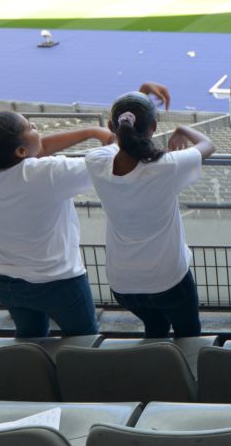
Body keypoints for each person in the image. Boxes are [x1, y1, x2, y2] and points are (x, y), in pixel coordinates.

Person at [0, 109, 118, 338]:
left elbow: (35, 150)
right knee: (84, 340)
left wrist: (91, 131)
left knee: (30, 337)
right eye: (31, 127)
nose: (37, 130)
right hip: (57, 282)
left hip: (5, 280)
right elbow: (108, 160)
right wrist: (114, 138)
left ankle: (34, 373)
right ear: (20, 150)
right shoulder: (46, 173)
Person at [86, 90, 213, 337]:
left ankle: (154, 370)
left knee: (155, 328)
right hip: (168, 278)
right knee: (188, 334)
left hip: (123, 283)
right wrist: (182, 129)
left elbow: (119, 144)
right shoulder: (166, 166)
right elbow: (208, 145)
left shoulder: (96, 161)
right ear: (154, 127)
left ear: (113, 126)